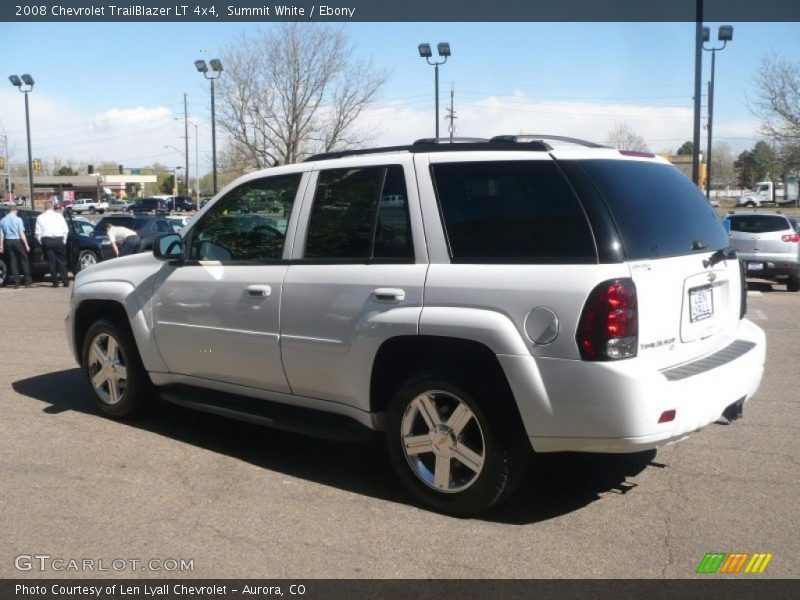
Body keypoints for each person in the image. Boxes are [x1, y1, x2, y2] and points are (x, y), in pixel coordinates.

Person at [35, 200, 70, 287]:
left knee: (51, 262)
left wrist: (41, 242)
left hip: (47, 240)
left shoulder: (40, 217)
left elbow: (38, 232)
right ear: (52, 207)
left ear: (45, 207)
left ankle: (55, 282)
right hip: (58, 239)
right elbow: (65, 229)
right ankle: (65, 281)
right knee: (62, 261)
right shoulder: (59, 216)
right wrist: (64, 241)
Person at [0, 204, 33, 288]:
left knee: (13, 261)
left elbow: (1, 235)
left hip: (8, 242)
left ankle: (16, 282)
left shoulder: (2, 220)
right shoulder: (18, 219)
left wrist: (1, 246)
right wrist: (26, 245)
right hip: (17, 241)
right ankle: (27, 281)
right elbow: (21, 233)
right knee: (24, 259)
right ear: (15, 210)